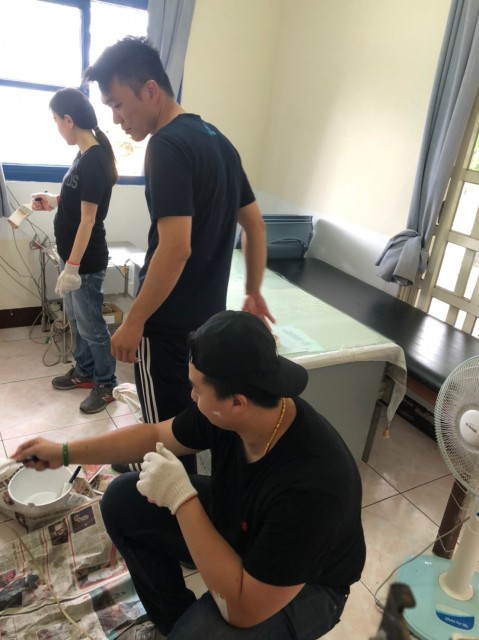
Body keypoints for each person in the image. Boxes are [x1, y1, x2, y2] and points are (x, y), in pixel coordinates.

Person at [13, 310, 366, 640]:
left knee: (203, 631)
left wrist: (182, 499)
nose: (191, 395)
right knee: (123, 499)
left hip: (309, 585)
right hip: (249, 527)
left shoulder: (312, 486)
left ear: (237, 403)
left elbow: (243, 610)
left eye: (197, 388)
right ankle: (172, 621)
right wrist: (63, 452)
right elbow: (154, 435)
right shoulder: (236, 406)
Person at [82, 36, 273, 472]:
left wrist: (135, 321)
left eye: (118, 105)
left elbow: (175, 247)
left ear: (150, 90)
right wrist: (254, 290)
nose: (116, 119)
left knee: (161, 433)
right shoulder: (219, 140)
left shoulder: (165, 145)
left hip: (166, 327)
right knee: (190, 415)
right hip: (207, 322)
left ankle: (165, 495)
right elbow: (256, 226)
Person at [31, 88, 118, 414]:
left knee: (92, 325)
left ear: (69, 120)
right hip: (72, 258)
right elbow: (78, 199)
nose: (56, 127)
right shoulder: (83, 155)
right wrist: (53, 201)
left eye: (56, 120)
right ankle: (84, 371)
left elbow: (89, 220)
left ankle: (106, 384)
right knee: (78, 321)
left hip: (84, 263)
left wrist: (72, 268)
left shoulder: (95, 160)